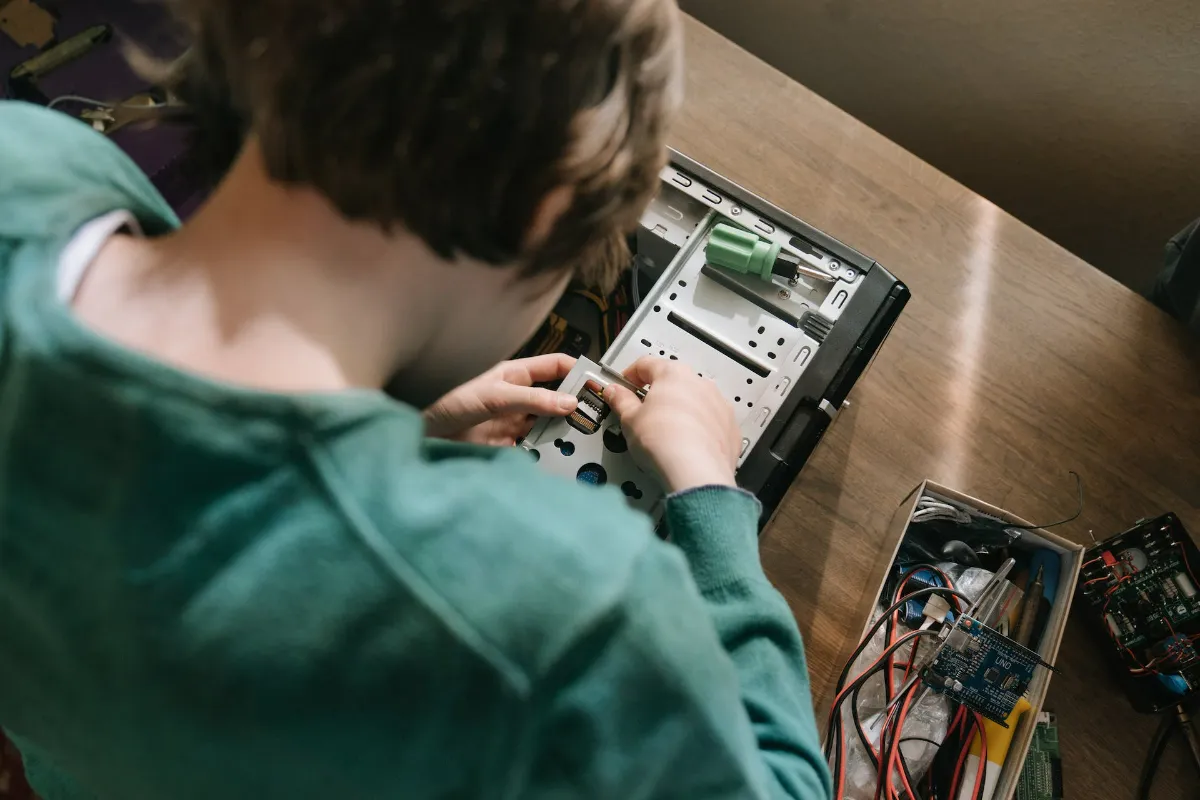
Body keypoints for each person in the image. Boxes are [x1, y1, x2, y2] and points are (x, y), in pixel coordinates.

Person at [0, 1, 830, 798]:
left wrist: (390, 428)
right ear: (546, 205)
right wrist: (711, 497)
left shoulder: (26, 160)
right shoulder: (558, 616)